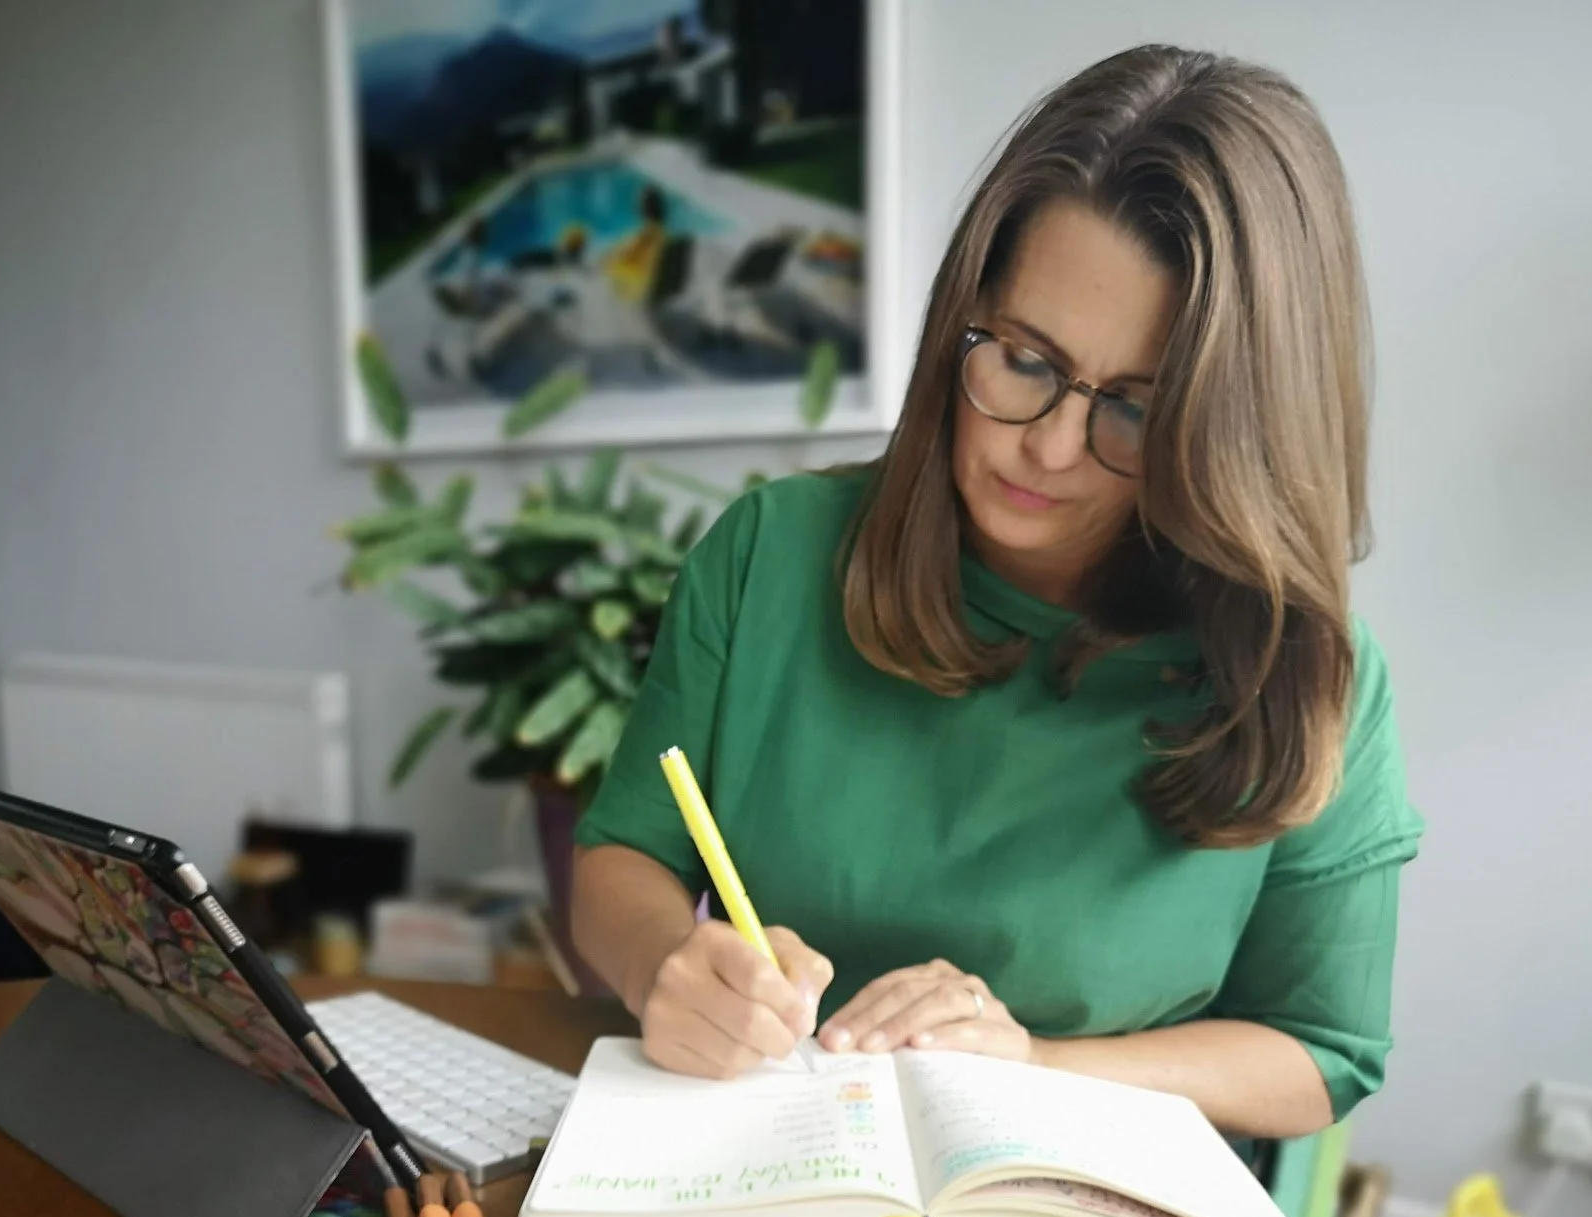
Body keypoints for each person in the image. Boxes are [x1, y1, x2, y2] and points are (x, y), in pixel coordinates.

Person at [569, 45, 1423, 1140]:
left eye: (1133, 408)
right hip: (763, 1173)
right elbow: (620, 858)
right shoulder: (769, 556)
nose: (1049, 448)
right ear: (958, 318)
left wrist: (1029, 1065)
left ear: (1227, 431)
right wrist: (662, 968)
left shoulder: (1301, 673)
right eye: (1021, 358)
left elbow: (1319, 1054)